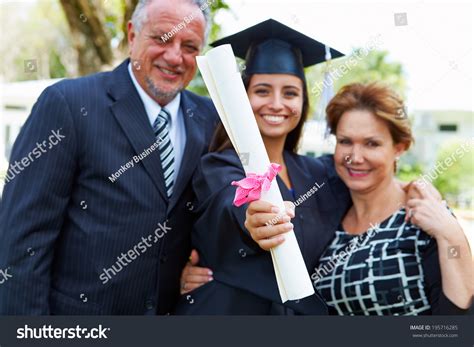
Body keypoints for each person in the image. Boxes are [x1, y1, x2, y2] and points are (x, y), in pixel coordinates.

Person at [0, 0, 218, 315]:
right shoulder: (68, 105)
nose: (174, 56)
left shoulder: (210, 120)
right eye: (161, 39)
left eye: (189, 46)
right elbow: (22, 244)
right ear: (132, 34)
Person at [173, 18, 357, 315]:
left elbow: (367, 193)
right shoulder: (219, 166)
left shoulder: (320, 173)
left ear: (303, 102)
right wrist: (253, 220)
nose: (275, 103)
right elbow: (230, 204)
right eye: (261, 91)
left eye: (290, 93)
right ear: (242, 98)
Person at [245, 83, 473, 315]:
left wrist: (450, 232)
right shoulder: (328, 215)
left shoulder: (424, 216)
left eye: (371, 143)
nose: (355, 157)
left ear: (399, 148)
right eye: (345, 141)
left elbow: (456, 320)